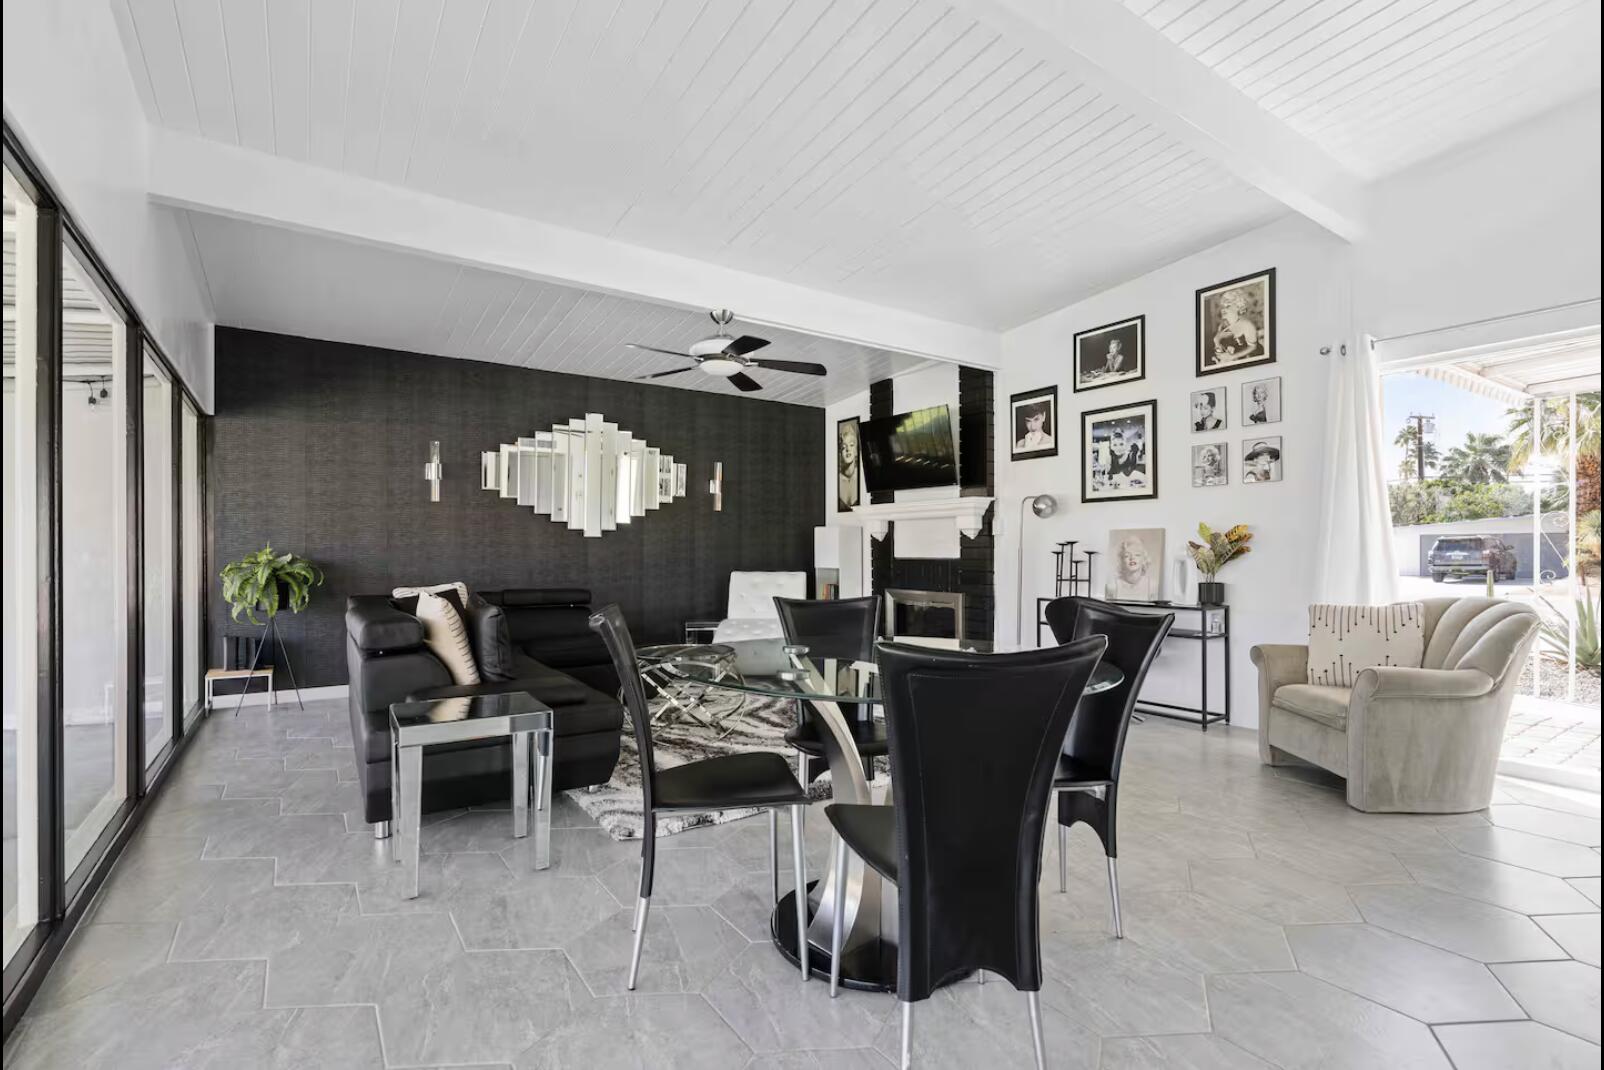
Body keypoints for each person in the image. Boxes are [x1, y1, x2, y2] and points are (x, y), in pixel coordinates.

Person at [1210, 288, 1262, 365]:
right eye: (1223, 306)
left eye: (1227, 306)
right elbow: (1220, 352)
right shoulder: (1222, 326)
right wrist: (1216, 340)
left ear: (1238, 307)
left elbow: (1253, 348)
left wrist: (1232, 357)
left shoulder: (1247, 325)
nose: (1223, 309)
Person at [1105, 534, 1160, 601]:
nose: (1132, 558)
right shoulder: (1112, 586)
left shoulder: (1152, 586)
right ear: (1122, 561)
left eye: (1137, 555)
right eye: (1127, 555)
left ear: (1144, 560)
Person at [838, 420, 860, 510]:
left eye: (851, 445)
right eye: (844, 447)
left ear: (856, 450)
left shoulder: (861, 478)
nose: (847, 449)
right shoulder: (837, 480)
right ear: (840, 453)